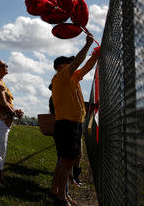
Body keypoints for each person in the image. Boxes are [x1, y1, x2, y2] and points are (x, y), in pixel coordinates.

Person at [51, 34, 100, 205]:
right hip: (67, 124)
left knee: (66, 160)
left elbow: (86, 66)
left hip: (73, 123)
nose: (71, 64)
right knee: (66, 161)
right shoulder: (60, 78)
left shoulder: (72, 78)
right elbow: (79, 62)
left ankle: (55, 191)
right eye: (68, 63)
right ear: (60, 67)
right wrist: (87, 45)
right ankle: (61, 196)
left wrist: (96, 54)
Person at [0, 59, 24, 188]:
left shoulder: (0, 82)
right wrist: (15, 113)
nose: (6, 66)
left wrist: (14, 110)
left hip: (1, 119)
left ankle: (0, 176)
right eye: (3, 65)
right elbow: (2, 102)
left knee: (2, 149)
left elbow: (5, 103)